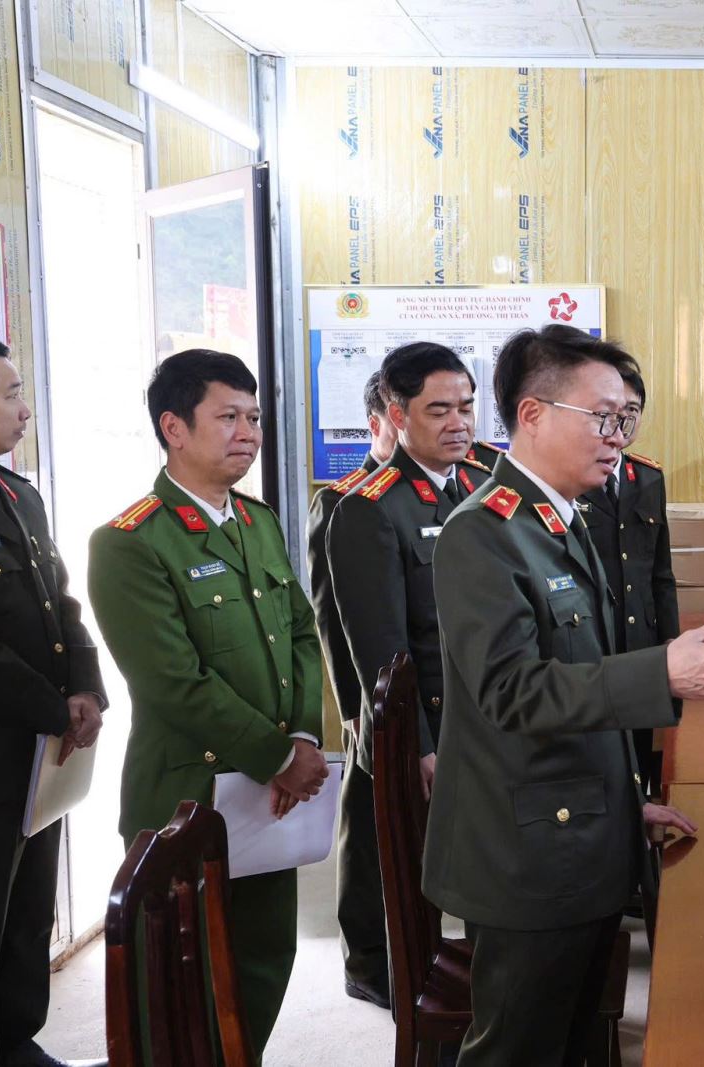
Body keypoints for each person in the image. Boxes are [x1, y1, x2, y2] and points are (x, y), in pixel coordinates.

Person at [424, 323, 704, 1065]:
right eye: (602, 417)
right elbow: (513, 692)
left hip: (581, 829)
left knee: (582, 1040)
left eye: (626, 419)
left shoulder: (562, 516)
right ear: (532, 414)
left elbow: (585, 680)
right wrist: (663, 674)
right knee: (520, 1049)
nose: (618, 436)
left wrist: (626, 803)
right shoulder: (483, 533)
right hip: (528, 853)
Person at [88, 349, 328, 1056]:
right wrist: (277, 754)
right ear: (174, 427)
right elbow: (171, 680)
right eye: (228, 417)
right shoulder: (130, 542)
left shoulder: (257, 520)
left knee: (260, 962)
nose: (248, 432)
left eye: (254, 417)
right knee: (178, 987)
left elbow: (302, 633)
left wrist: (304, 737)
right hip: (186, 799)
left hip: (272, 794)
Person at [0, 336, 106, 1067]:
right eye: (11, 393)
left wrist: (87, 687)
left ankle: (17, 1041)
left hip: (39, 748)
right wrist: (53, 708)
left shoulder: (15, 492)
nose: (25, 408)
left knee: (28, 914)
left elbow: (60, 600)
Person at [324, 342, 489, 1006]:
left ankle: (488, 986)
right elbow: (382, 650)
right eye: (439, 409)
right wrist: (415, 742)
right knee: (406, 875)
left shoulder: (480, 484)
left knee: (488, 874)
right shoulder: (369, 507)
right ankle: (397, 981)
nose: (459, 422)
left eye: (467, 407)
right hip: (432, 726)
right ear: (397, 415)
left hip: (492, 719)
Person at [305, 370, 397, 1006]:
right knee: (366, 830)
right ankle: (365, 961)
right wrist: (353, 708)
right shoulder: (342, 499)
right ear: (378, 424)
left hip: (424, 690)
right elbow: (328, 613)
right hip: (370, 697)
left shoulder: (446, 491)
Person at [576, 362, 679, 796]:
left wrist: (671, 650)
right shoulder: (571, 480)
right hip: (592, 655)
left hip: (642, 648)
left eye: (630, 413)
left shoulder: (648, 478)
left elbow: (661, 576)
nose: (619, 425)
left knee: (643, 768)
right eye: (609, 413)